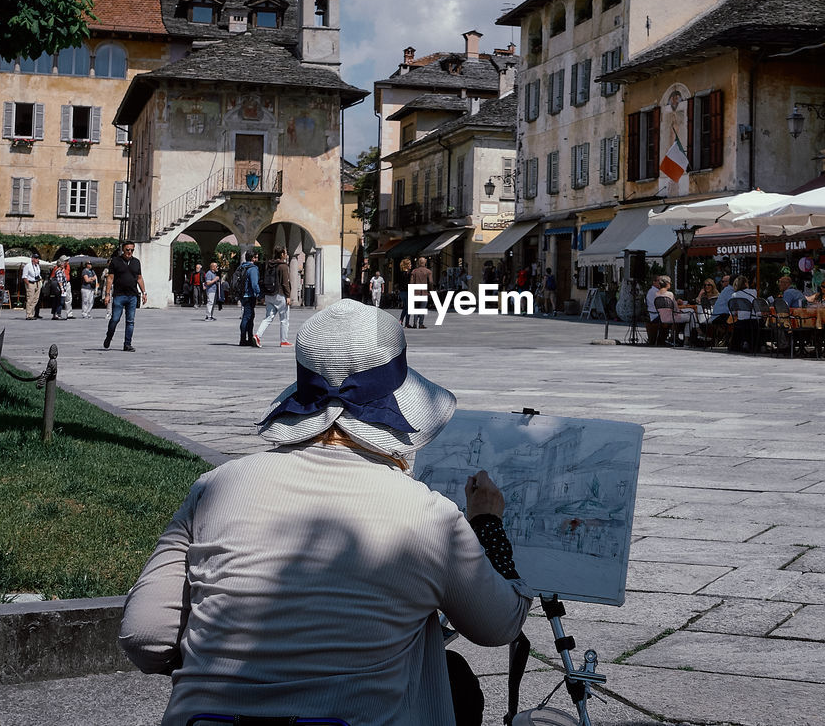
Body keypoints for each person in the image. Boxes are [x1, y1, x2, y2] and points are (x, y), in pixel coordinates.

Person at [119, 301, 531, 726]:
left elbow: (146, 634)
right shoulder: (428, 514)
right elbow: (498, 626)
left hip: (205, 719)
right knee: (453, 681)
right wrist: (486, 526)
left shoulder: (215, 486)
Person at [104, 241, 148, 352]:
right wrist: (107, 294)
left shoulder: (136, 262)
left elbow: (139, 278)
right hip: (119, 295)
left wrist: (144, 293)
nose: (129, 252)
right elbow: (110, 278)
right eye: (127, 249)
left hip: (132, 296)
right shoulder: (115, 261)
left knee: (130, 321)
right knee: (115, 319)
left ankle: (127, 344)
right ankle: (109, 336)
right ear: (123, 250)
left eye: (132, 250)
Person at [254, 247, 294, 347]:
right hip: (280, 295)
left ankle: (257, 335)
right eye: (285, 253)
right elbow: (285, 283)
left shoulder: (269, 265)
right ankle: (284, 341)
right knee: (284, 319)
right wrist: (288, 296)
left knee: (268, 318)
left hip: (269, 294)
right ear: (281, 254)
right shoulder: (283, 266)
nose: (286, 255)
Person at [237, 252, 262, 347]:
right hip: (249, 295)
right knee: (247, 317)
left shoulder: (242, 267)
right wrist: (259, 293)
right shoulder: (253, 269)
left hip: (243, 295)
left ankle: (247, 338)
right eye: (256, 257)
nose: (257, 259)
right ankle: (243, 339)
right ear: (252, 258)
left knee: (249, 316)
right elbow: (254, 283)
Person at [408, 257, 432, 329]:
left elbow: (411, 282)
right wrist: (430, 290)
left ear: (418, 262)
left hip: (416, 292)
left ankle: (415, 323)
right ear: (425, 262)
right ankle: (421, 324)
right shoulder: (428, 271)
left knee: (416, 308)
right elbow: (430, 282)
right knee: (422, 308)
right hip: (424, 292)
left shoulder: (414, 271)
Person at [22, 253, 43, 319]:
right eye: (36, 258)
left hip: (37, 283)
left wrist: (40, 281)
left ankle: (31, 313)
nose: (37, 259)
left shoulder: (37, 266)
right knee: (30, 299)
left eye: (38, 258)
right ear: (32, 259)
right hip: (31, 283)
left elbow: (38, 275)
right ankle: (28, 314)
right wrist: (28, 284)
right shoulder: (28, 266)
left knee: (35, 299)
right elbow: (24, 277)